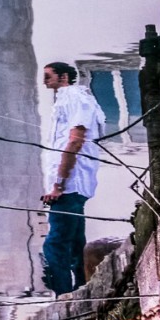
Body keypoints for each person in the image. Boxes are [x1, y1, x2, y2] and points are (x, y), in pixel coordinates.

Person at [40, 61, 106, 295]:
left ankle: (62, 296)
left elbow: (75, 140)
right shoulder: (68, 99)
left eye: (49, 75)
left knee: (55, 244)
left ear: (64, 77)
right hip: (73, 185)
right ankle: (80, 289)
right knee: (75, 240)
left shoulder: (74, 97)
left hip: (69, 185)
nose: (44, 80)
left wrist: (58, 184)